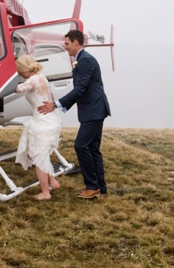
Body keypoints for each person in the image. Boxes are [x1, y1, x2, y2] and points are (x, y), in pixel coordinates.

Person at [39, 30, 110, 199]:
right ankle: (101, 188)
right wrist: (58, 106)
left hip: (94, 110)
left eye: (67, 44)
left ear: (76, 43)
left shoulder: (85, 61)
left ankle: (92, 187)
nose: (65, 47)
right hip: (93, 110)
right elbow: (79, 90)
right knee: (93, 149)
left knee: (81, 145)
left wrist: (56, 104)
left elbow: (80, 89)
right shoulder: (80, 60)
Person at [14, 55, 64, 201]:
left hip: (42, 122)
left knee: (38, 156)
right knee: (41, 154)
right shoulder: (41, 77)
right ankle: (52, 181)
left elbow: (18, 89)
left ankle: (45, 192)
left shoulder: (33, 80)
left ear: (22, 69)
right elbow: (51, 96)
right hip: (48, 118)